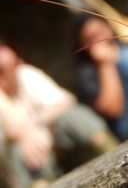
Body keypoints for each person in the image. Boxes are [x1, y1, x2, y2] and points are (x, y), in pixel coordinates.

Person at [0, 40, 118, 187]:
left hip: (59, 141)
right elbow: (10, 134)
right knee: (20, 152)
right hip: (34, 161)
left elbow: (66, 101)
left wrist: (36, 126)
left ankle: (119, 156)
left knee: (75, 117)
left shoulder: (26, 74)